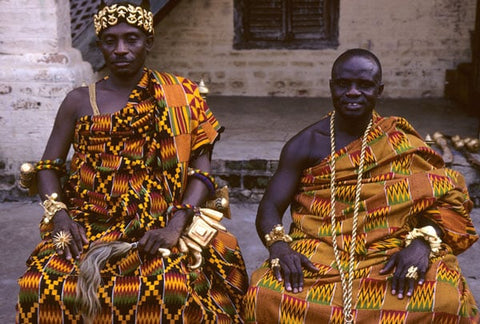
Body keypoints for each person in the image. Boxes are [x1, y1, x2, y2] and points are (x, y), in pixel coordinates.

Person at [16, 0, 248, 322]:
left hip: (159, 223)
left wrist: (175, 226)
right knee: (41, 284)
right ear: (100, 47)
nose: (121, 49)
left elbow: (201, 169)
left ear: (148, 43)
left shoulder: (181, 94)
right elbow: (48, 168)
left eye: (132, 39)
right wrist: (60, 216)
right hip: (88, 224)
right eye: (110, 41)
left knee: (171, 287)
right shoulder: (78, 101)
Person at [243, 48, 479, 323]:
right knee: (265, 295)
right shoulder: (304, 144)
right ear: (332, 86)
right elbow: (271, 205)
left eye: (364, 85)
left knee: (444, 299)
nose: (353, 92)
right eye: (344, 84)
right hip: (320, 247)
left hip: (391, 249)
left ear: (379, 90)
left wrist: (422, 245)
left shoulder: (401, 142)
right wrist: (280, 247)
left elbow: (449, 197)